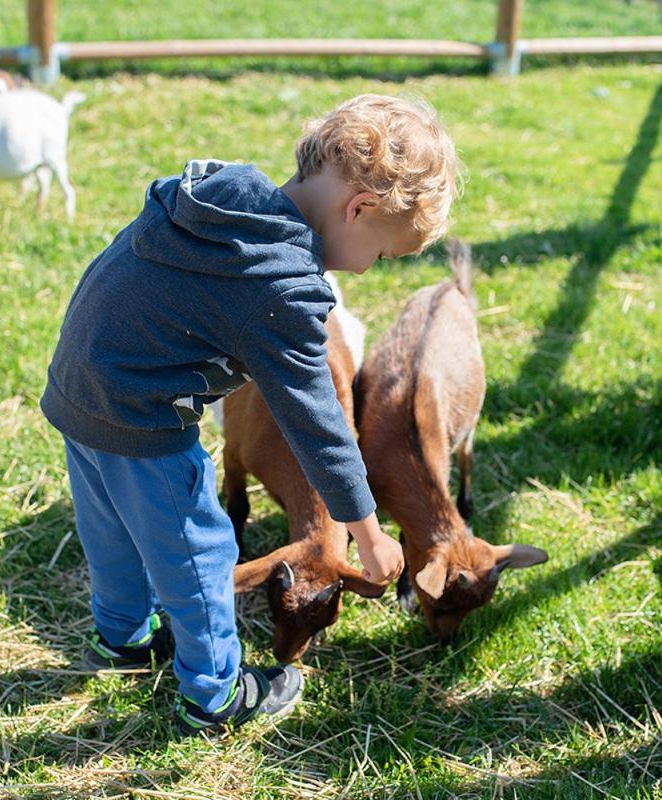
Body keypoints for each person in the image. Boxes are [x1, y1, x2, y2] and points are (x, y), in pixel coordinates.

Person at [41, 94, 462, 736]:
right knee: (200, 550)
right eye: (382, 254)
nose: (372, 267)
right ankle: (214, 696)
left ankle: (123, 636)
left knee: (110, 525)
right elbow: (318, 425)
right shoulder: (279, 285)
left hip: (80, 385)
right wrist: (370, 535)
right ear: (359, 209)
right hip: (141, 416)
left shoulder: (223, 196)